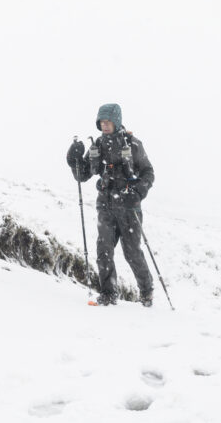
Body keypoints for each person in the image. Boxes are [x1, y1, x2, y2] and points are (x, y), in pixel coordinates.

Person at [66, 103, 155, 306]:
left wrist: (139, 192)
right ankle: (108, 293)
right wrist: (74, 161)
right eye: (102, 122)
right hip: (105, 205)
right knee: (103, 250)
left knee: (132, 253)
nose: (104, 126)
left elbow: (148, 172)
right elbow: (83, 175)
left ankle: (146, 291)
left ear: (116, 122)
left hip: (129, 207)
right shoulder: (97, 145)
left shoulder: (132, 144)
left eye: (108, 122)